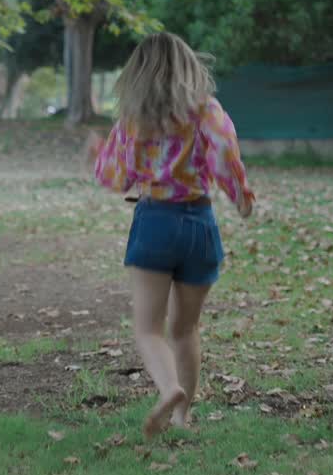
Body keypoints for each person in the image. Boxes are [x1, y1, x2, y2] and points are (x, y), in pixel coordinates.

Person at [88, 33, 254, 439]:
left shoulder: (132, 121)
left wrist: (96, 157)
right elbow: (225, 157)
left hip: (154, 223)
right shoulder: (207, 112)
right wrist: (241, 196)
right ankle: (183, 418)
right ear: (188, 67)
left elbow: (117, 177)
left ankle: (169, 389)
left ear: (138, 75)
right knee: (185, 328)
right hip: (199, 223)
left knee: (148, 327)